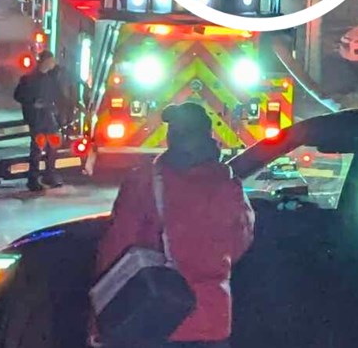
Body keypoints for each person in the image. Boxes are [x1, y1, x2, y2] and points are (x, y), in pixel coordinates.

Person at [95, 103, 254, 348]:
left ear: (172, 138)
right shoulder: (228, 183)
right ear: (207, 137)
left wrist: (99, 320)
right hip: (214, 320)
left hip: (157, 317)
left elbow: (117, 250)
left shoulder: (145, 181)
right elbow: (239, 242)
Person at [14, 50, 65, 192]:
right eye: (51, 61)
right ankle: (33, 179)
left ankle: (50, 175)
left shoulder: (52, 78)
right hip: (36, 118)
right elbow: (18, 96)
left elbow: (58, 95)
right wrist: (33, 103)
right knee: (37, 149)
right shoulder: (29, 79)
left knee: (52, 147)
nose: (53, 64)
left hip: (49, 117)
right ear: (45, 61)